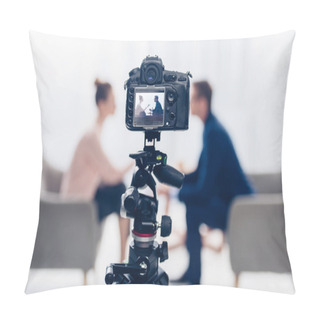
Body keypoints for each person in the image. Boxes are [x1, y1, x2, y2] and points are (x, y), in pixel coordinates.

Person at [162, 81, 254, 284]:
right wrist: (175, 181)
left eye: (192, 99)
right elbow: (199, 173)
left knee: (193, 209)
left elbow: (205, 189)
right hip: (230, 202)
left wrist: (176, 194)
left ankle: (194, 276)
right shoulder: (210, 128)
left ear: (202, 102)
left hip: (237, 208)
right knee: (192, 206)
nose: (189, 104)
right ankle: (193, 273)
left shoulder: (214, 132)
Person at [61, 79, 132, 263]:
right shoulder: (92, 136)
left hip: (85, 194)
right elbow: (111, 174)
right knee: (122, 192)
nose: (116, 104)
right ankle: (123, 260)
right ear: (102, 104)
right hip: (78, 203)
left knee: (121, 192)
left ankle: (123, 258)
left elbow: (103, 173)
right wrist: (135, 161)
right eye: (112, 100)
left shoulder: (96, 131)